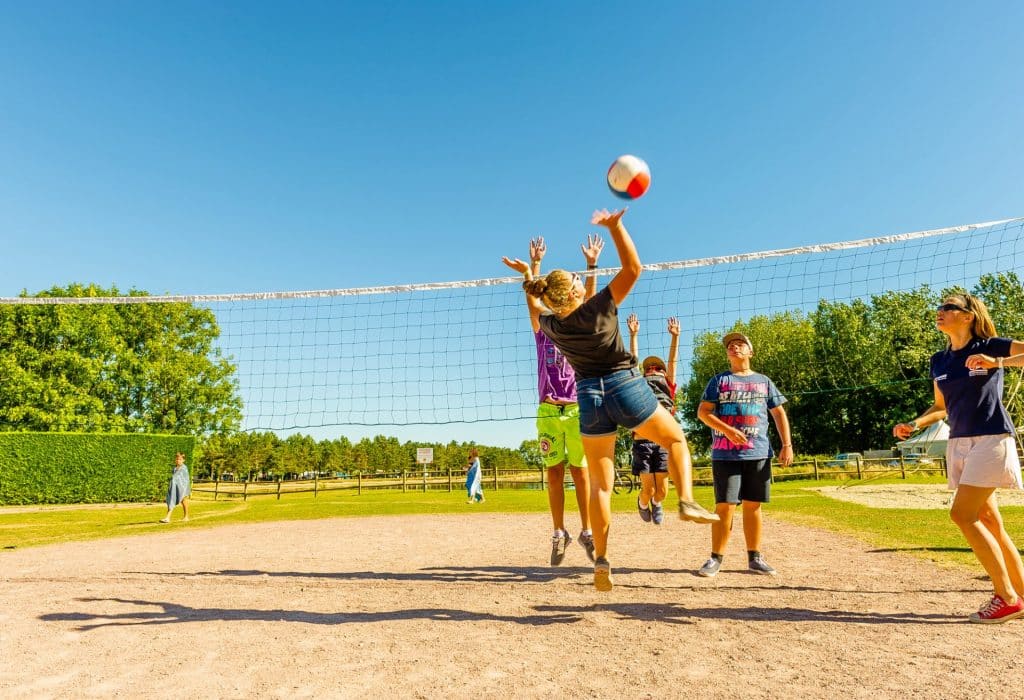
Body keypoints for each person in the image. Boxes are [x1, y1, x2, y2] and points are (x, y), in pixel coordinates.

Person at [521, 207, 718, 592]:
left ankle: (602, 559)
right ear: (577, 292)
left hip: (588, 397)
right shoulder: (598, 309)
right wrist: (616, 226)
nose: (583, 280)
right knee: (676, 439)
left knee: (599, 485)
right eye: (580, 279)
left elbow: (535, 305)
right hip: (623, 384)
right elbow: (633, 268)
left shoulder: (551, 324)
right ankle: (687, 500)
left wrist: (532, 273)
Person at [893, 293, 1024, 623]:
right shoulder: (939, 360)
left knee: (962, 515)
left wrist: (998, 363)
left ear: (967, 316)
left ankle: (1006, 597)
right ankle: (1021, 594)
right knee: (990, 521)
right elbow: (940, 407)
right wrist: (914, 423)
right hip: (959, 442)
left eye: (948, 307)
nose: (940, 312)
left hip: (992, 437)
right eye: (939, 308)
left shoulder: (991, 345)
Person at [502, 235, 604, 565]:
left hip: (577, 409)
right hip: (548, 409)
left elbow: (588, 298)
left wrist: (591, 265)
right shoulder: (544, 329)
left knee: (581, 472)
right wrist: (532, 269)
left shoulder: (581, 326)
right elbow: (534, 302)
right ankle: (559, 532)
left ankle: (587, 531)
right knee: (554, 473)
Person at [696, 332, 793, 577]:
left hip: (758, 451)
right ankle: (715, 558)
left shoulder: (764, 381)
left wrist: (787, 445)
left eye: (740, 344)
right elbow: (703, 413)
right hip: (725, 454)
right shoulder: (718, 381)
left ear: (751, 352)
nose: (734, 347)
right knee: (725, 507)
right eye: (730, 345)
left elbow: (779, 413)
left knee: (753, 506)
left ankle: (755, 557)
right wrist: (727, 431)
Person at [626, 313, 682, 526]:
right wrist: (633, 335)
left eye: (657, 368)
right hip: (642, 442)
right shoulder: (638, 384)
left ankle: (657, 503)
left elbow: (673, 362)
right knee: (648, 489)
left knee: (662, 492)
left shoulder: (668, 386)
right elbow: (632, 363)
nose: (653, 369)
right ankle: (642, 503)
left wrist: (675, 338)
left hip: (663, 442)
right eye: (649, 368)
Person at [160, 452, 191, 523]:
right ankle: (169, 517)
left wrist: (175, 482)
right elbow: (174, 478)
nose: (178, 461)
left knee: (182, 501)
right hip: (176, 487)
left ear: (183, 460)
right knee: (175, 500)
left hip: (183, 487)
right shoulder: (175, 468)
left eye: (180, 459)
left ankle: (184, 516)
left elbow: (183, 478)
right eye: (177, 459)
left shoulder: (184, 468)